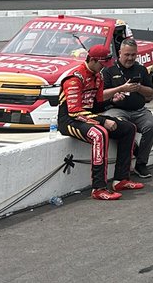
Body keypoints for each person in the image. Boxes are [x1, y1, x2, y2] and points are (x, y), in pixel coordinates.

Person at [57, 43, 144, 201]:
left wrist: (112, 101)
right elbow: (74, 112)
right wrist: (103, 121)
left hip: (89, 117)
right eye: (102, 64)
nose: (104, 67)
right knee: (100, 134)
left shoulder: (98, 76)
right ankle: (98, 188)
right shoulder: (75, 78)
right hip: (69, 121)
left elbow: (96, 105)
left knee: (129, 128)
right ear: (93, 60)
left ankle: (121, 179)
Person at [101, 36, 153, 178]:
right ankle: (133, 150)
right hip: (116, 109)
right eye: (127, 55)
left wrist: (138, 88)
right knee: (122, 126)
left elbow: (150, 94)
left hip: (139, 110)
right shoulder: (108, 71)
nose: (130, 58)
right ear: (120, 53)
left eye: (133, 55)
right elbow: (101, 95)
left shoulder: (141, 69)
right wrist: (119, 89)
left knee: (152, 126)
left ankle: (141, 163)